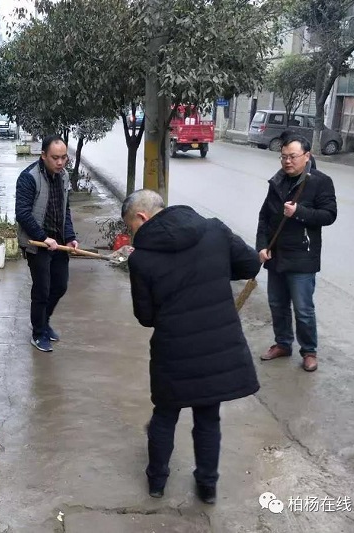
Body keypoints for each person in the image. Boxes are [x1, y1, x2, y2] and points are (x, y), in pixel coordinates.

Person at [122, 189, 261, 504]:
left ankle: (156, 482)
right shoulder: (213, 229)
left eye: (131, 226)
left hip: (173, 351)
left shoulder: (141, 259)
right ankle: (207, 486)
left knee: (165, 415)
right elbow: (250, 263)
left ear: (142, 217)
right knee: (208, 417)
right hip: (216, 345)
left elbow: (145, 317)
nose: (133, 233)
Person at [257, 134, 337, 372]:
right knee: (277, 304)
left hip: (303, 256)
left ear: (306, 156)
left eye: (292, 156)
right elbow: (264, 217)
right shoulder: (277, 181)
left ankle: (309, 351)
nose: (287, 161)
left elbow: (329, 215)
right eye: (283, 157)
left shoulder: (320, 181)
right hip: (276, 255)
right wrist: (261, 247)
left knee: (303, 309)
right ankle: (283, 344)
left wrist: (299, 211)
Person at [16, 135, 78, 352]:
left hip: (58, 242)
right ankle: (38, 332)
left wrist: (70, 236)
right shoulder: (29, 178)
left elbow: (65, 209)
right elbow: (22, 213)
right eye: (55, 158)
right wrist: (43, 238)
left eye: (64, 158)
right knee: (42, 289)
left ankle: (45, 321)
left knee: (59, 286)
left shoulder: (63, 177)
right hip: (37, 243)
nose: (60, 163)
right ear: (43, 156)